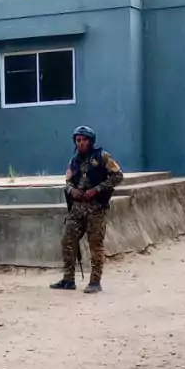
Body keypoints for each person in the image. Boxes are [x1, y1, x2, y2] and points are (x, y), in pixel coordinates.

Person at [50, 125, 124, 294]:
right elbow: (68, 182)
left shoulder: (102, 156)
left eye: (84, 140)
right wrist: (72, 191)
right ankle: (68, 279)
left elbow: (118, 175)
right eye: (78, 140)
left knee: (95, 246)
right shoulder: (74, 161)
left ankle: (95, 282)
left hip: (96, 208)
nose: (81, 143)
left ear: (91, 141)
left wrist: (97, 189)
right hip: (77, 208)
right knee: (67, 241)